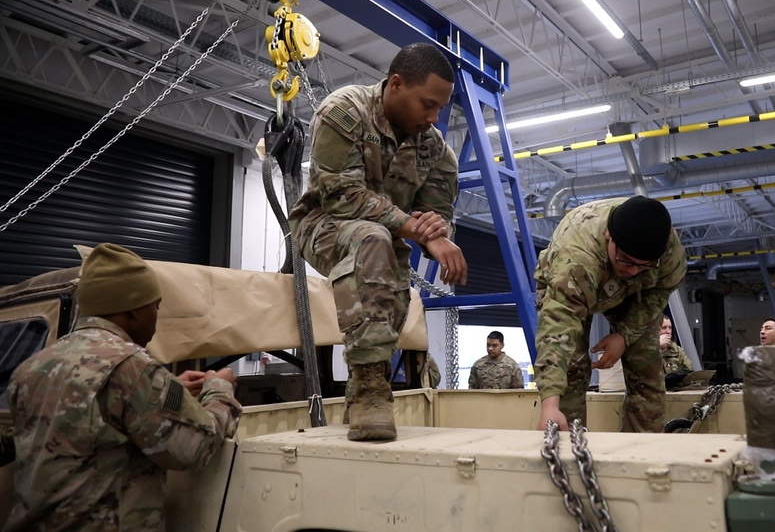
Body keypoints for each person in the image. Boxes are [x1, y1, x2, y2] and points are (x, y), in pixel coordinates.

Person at [289, 42, 467, 442]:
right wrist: (417, 229)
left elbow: (437, 216)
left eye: (440, 108)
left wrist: (437, 236)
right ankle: (372, 392)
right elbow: (342, 197)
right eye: (427, 104)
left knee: (390, 306)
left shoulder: (436, 151)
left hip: (388, 244)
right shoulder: (345, 110)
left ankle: (363, 386)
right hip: (324, 224)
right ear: (396, 84)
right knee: (371, 237)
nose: (434, 117)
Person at [5, 243, 242, 530]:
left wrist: (169, 389)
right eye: (155, 306)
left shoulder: (32, 366)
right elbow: (195, 447)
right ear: (133, 311)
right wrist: (219, 389)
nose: (157, 315)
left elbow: (90, 410)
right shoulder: (132, 366)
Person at [534, 196, 687, 433]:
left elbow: (661, 290)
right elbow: (558, 330)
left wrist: (625, 335)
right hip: (575, 286)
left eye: (643, 265)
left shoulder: (667, 253)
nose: (632, 270)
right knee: (572, 369)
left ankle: (642, 451)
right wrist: (550, 404)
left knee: (647, 368)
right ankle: (567, 443)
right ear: (609, 237)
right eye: (627, 261)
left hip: (635, 293)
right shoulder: (576, 258)